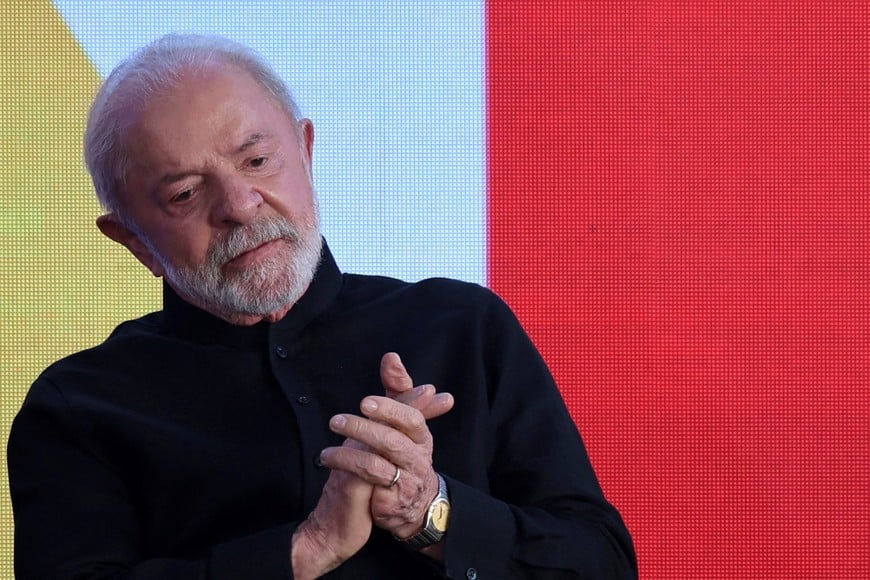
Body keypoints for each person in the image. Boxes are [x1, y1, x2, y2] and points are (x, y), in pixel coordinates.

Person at [7, 34, 637, 579]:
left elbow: (601, 564)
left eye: (257, 160)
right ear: (132, 240)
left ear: (306, 151)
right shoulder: (78, 408)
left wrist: (432, 510)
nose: (240, 204)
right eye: (184, 192)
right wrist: (303, 552)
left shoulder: (465, 326)